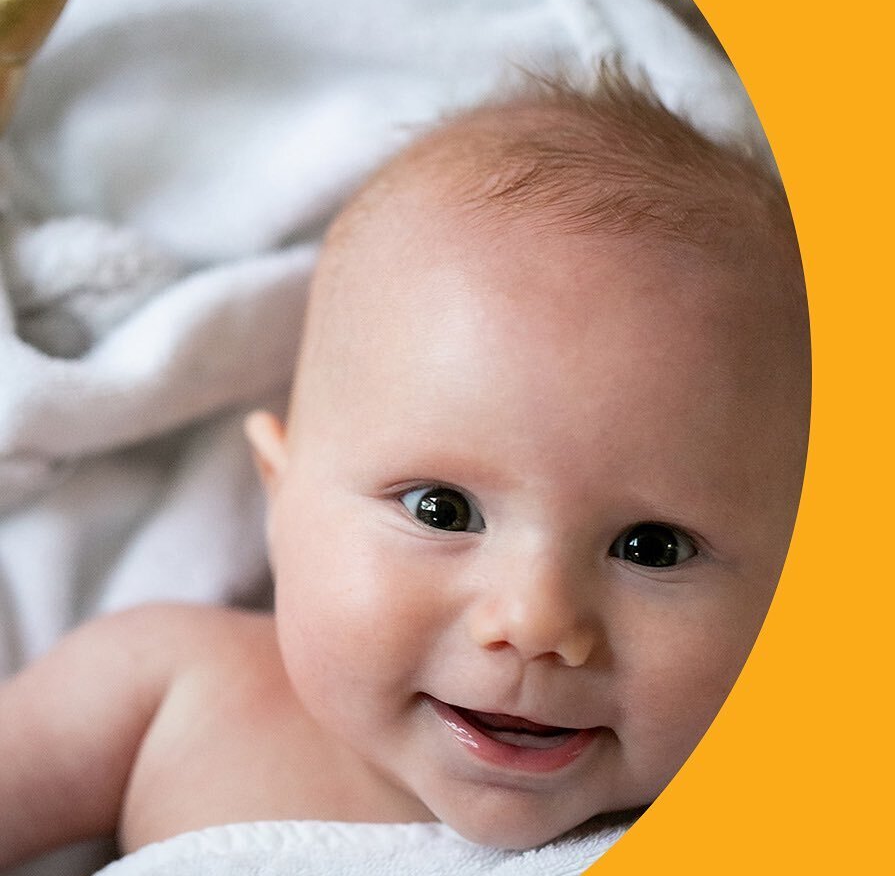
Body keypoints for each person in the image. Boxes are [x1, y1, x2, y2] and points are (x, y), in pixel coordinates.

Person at [0, 63, 810, 867]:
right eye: (441, 510)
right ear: (280, 499)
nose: (534, 622)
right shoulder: (174, 688)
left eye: (651, 547)